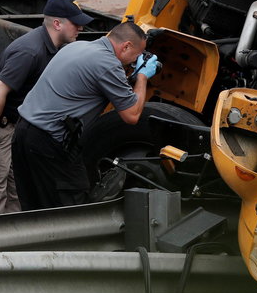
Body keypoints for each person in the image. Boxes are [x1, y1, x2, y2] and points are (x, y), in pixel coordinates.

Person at [0, 0, 93, 217]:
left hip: (12, 124)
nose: (81, 28)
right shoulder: (30, 51)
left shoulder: (52, 48)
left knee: (17, 193)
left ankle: (13, 249)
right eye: (76, 23)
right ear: (57, 23)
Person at [12, 21, 160, 210]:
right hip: (48, 143)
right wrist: (142, 76)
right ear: (126, 46)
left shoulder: (77, 46)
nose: (135, 61)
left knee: (33, 209)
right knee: (71, 209)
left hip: (23, 134)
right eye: (136, 56)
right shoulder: (107, 63)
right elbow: (132, 115)